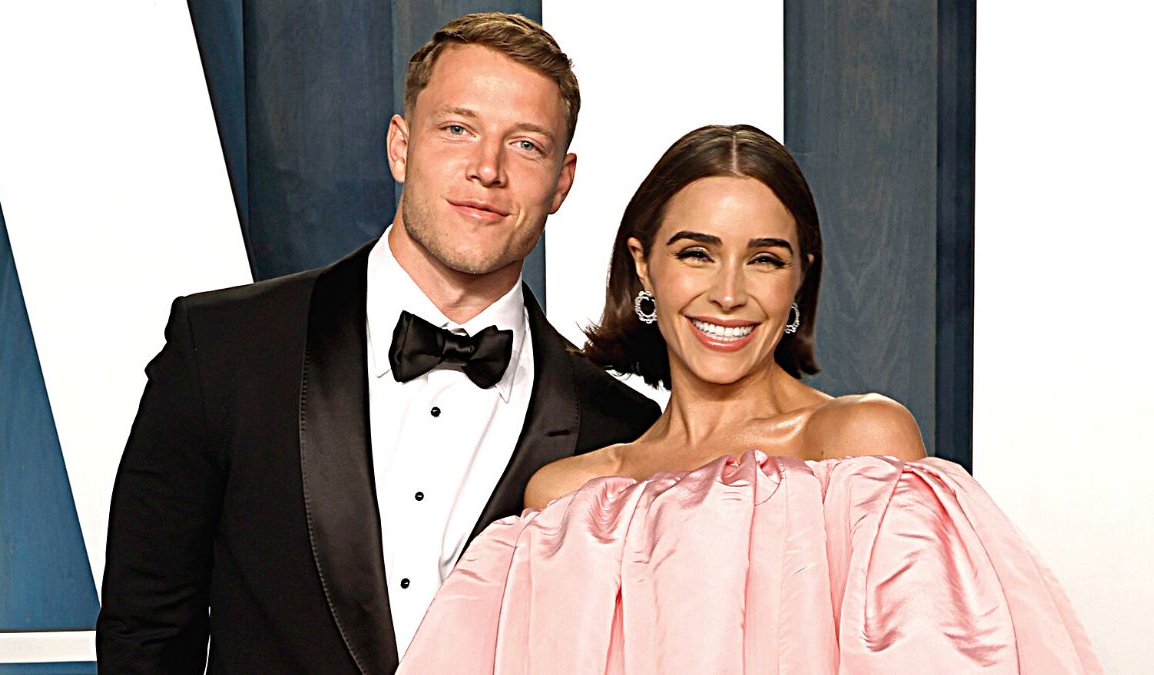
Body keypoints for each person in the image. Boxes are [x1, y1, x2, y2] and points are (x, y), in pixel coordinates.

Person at [397, 125, 1103, 673]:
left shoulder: (859, 446)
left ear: (801, 275)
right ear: (644, 264)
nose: (729, 292)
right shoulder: (568, 499)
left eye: (764, 258)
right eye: (696, 252)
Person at [95, 13, 660, 675]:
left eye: (525, 145)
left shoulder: (622, 431)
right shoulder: (226, 350)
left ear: (562, 181)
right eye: (457, 129)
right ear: (400, 146)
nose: (487, 169)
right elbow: (146, 632)